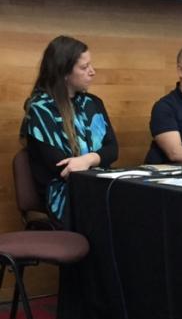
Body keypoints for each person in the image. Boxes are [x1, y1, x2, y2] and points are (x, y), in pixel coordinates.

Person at [23, 35, 118, 227]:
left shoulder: (93, 103)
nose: (92, 72)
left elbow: (113, 149)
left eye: (91, 65)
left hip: (97, 183)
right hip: (64, 193)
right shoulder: (41, 109)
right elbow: (62, 167)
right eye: (84, 67)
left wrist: (88, 159)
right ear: (64, 72)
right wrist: (94, 159)